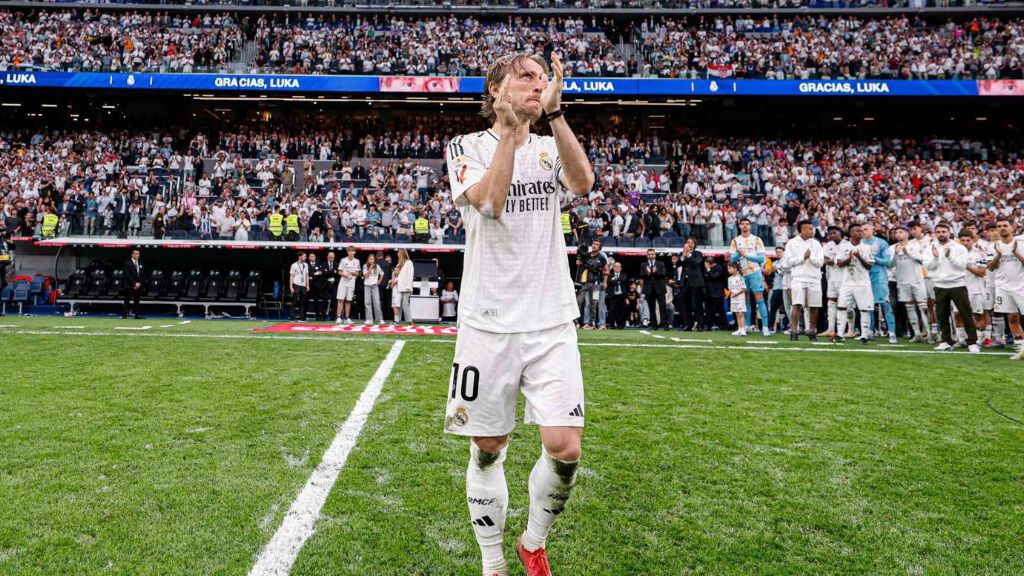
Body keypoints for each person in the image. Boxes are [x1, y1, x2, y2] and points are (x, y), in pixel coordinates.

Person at [442, 51, 593, 576]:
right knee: (488, 447)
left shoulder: (551, 148)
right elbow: (490, 203)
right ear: (496, 91)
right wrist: (510, 135)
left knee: (565, 447)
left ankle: (533, 542)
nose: (538, 84)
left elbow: (583, 184)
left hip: (551, 319)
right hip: (487, 322)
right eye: (525, 77)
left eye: (541, 77)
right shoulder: (466, 147)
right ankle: (492, 562)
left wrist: (555, 114)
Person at [923, 223, 980, 353]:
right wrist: (936, 258)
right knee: (942, 315)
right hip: (939, 284)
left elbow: (962, 266)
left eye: (943, 231)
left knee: (966, 314)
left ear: (949, 232)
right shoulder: (930, 248)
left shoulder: (959, 248)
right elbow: (928, 267)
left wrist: (950, 256)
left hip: (957, 284)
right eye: (938, 232)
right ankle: (946, 341)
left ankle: (972, 342)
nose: (941, 234)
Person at [987, 218, 1024, 360]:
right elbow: (990, 267)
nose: (1002, 228)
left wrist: (1016, 253)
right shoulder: (993, 246)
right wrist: (999, 255)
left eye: (1005, 226)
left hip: (1021, 285)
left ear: (1012, 228)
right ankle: (1021, 348)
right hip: (1003, 286)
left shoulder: (1021, 243)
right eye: (999, 226)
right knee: (1012, 316)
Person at [782, 220, 824, 341]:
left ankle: (812, 331)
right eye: (810, 228)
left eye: (812, 228)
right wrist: (802, 258)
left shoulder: (816, 244)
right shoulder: (792, 243)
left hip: (814, 277)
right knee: (796, 305)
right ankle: (794, 331)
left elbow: (820, 263)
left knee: (814, 306)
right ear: (803, 230)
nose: (813, 231)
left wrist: (810, 257)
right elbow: (788, 262)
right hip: (798, 277)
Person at [888, 226, 931, 343]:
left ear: (907, 234)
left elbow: (923, 261)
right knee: (909, 308)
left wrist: (908, 253)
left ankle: (929, 333)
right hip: (902, 281)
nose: (897, 234)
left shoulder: (916, 245)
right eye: (896, 232)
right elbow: (890, 265)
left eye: (900, 232)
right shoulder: (892, 248)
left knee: (923, 307)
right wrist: (896, 254)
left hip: (917, 280)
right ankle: (917, 333)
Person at [730, 217, 771, 337]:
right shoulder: (735, 241)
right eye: (743, 224)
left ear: (750, 226)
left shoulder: (757, 239)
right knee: (745, 301)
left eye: (747, 224)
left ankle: (765, 327)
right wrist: (739, 253)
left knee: (760, 300)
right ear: (739, 226)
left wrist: (746, 255)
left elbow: (761, 258)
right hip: (742, 274)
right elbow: (732, 259)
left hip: (755, 272)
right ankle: (746, 326)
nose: (745, 226)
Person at [834, 223, 875, 345]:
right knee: (842, 307)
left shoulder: (867, 247)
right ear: (851, 233)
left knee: (864, 309)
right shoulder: (843, 247)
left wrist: (860, 257)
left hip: (862, 283)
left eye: (861, 231)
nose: (860, 233)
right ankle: (840, 334)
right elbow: (839, 264)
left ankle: (864, 336)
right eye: (857, 231)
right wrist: (850, 258)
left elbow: (869, 266)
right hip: (847, 282)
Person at [861, 223, 898, 344]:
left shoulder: (881, 243)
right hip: (865, 277)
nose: (863, 232)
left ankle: (892, 332)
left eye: (866, 229)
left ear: (873, 229)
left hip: (879, 277)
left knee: (885, 304)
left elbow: (888, 262)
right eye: (862, 230)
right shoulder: (860, 243)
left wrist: (874, 258)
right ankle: (870, 330)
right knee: (868, 305)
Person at [577, 239, 608, 330]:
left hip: (597, 284)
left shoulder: (602, 257)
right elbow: (578, 263)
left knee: (600, 304)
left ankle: (602, 324)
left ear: (599, 247)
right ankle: (587, 323)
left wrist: (605, 282)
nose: (594, 245)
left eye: (597, 244)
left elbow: (607, 270)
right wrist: (579, 255)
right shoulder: (586, 255)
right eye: (593, 244)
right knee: (587, 304)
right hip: (587, 282)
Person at [821, 226, 844, 338]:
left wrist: (833, 261)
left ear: (840, 233)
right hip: (831, 278)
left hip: (845, 278)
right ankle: (830, 329)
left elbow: (843, 261)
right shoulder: (828, 245)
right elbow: (825, 260)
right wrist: (834, 261)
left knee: (846, 304)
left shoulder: (847, 245)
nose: (831, 235)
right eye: (829, 234)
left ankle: (850, 329)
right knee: (831, 303)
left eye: (834, 233)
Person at [679, 237, 706, 330]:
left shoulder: (698, 254)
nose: (689, 244)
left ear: (694, 245)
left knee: (697, 305)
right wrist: (683, 255)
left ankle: (699, 325)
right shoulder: (681, 253)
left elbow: (695, 263)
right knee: (686, 305)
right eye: (688, 242)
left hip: (696, 282)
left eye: (691, 243)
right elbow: (677, 263)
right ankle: (688, 325)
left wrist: (689, 254)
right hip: (685, 282)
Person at [390, 248, 414, 327]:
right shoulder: (399, 263)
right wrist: (393, 281)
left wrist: (408, 287)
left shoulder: (409, 262)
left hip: (406, 288)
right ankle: (397, 321)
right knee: (397, 305)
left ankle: (410, 321)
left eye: (398, 253)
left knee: (405, 304)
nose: (397, 254)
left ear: (402, 253)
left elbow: (410, 276)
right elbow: (394, 274)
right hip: (398, 288)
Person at [336, 247, 360, 325]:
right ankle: (339, 317)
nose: (350, 252)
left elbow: (357, 273)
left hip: (351, 283)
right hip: (343, 283)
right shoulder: (343, 260)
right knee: (340, 299)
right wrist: (345, 275)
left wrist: (351, 273)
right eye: (349, 251)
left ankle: (346, 318)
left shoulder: (357, 261)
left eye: (352, 251)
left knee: (349, 300)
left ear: (355, 252)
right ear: (347, 252)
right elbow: (339, 272)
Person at [704, 256, 728, 330]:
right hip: (708, 292)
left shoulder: (719, 268)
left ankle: (724, 325)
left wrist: (708, 269)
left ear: (708, 263)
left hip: (717, 292)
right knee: (708, 310)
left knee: (720, 309)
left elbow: (714, 277)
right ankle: (709, 325)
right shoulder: (706, 270)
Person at [362, 252, 385, 325]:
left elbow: (382, 273)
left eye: (373, 259)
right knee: (367, 302)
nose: (371, 260)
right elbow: (366, 276)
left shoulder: (377, 266)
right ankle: (369, 319)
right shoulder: (365, 266)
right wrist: (370, 267)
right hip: (367, 285)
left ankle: (380, 319)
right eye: (370, 259)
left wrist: (379, 281)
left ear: (374, 260)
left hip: (375, 286)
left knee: (377, 303)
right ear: (368, 260)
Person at [122, 248, 144, 320]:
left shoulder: (140, 263)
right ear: (132, 255)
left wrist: (139, 283)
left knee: (137, 301)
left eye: (139, 254)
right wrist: (134, 284)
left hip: (138, 286)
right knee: (127, 300)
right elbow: (128, 275)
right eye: (136, 254)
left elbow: (142, 275)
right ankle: (124, 315)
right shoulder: (127, 263)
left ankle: (137, 315)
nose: (138, 255)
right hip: (129, 285)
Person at [607, 261, 630, 329]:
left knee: (621, 310)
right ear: (613, 268)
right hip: (612, 295)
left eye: (619, 266)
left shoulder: (624, 274)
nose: (617, 268)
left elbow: (624, 280)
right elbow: (609, 281)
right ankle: (612, 325)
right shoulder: (610, 275)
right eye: (616, 266)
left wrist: (615, 280)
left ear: (621, 268)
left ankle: (620, 325)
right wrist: (618, 280)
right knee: (612, 310)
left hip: (621, 296)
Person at [727, 262, 747, 336]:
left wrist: (736, 294)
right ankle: (739, 329)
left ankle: (743, 329)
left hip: (740, 298)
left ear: (735, 269)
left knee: (741, 313)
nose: (728, 270)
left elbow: (744, 288)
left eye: (730, 268)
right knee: (737, 313)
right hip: (733, 298)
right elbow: (730, 288)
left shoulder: (740, 277)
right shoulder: (729, 278)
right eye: (728, 268)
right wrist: (732, 293)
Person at [289, 251, 309, 321]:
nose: (305, 258)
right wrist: (291, 286)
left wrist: (307, 285)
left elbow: (307, 275)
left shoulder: (306, 265)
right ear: (300, 257)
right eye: (304, 256)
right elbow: (291, 276)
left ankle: (302, 317)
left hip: (303, 285)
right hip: (296, 284)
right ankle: (292, 317)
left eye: (305, 256)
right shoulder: (294, 265)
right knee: (294, 301)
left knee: (303, 302)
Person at [321, 251, 338, 321]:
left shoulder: (337, 264)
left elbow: (337, 273)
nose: (331, 258)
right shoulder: (324, 264)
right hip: (326, 285)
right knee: (325, 301)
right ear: (327, 257)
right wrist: (332, 272)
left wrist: (328, 272)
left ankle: (333, 317)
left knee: (334, 301)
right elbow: (324, 273)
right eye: (330, 257)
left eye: (333, 257)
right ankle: (323, 316)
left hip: (334, 285)